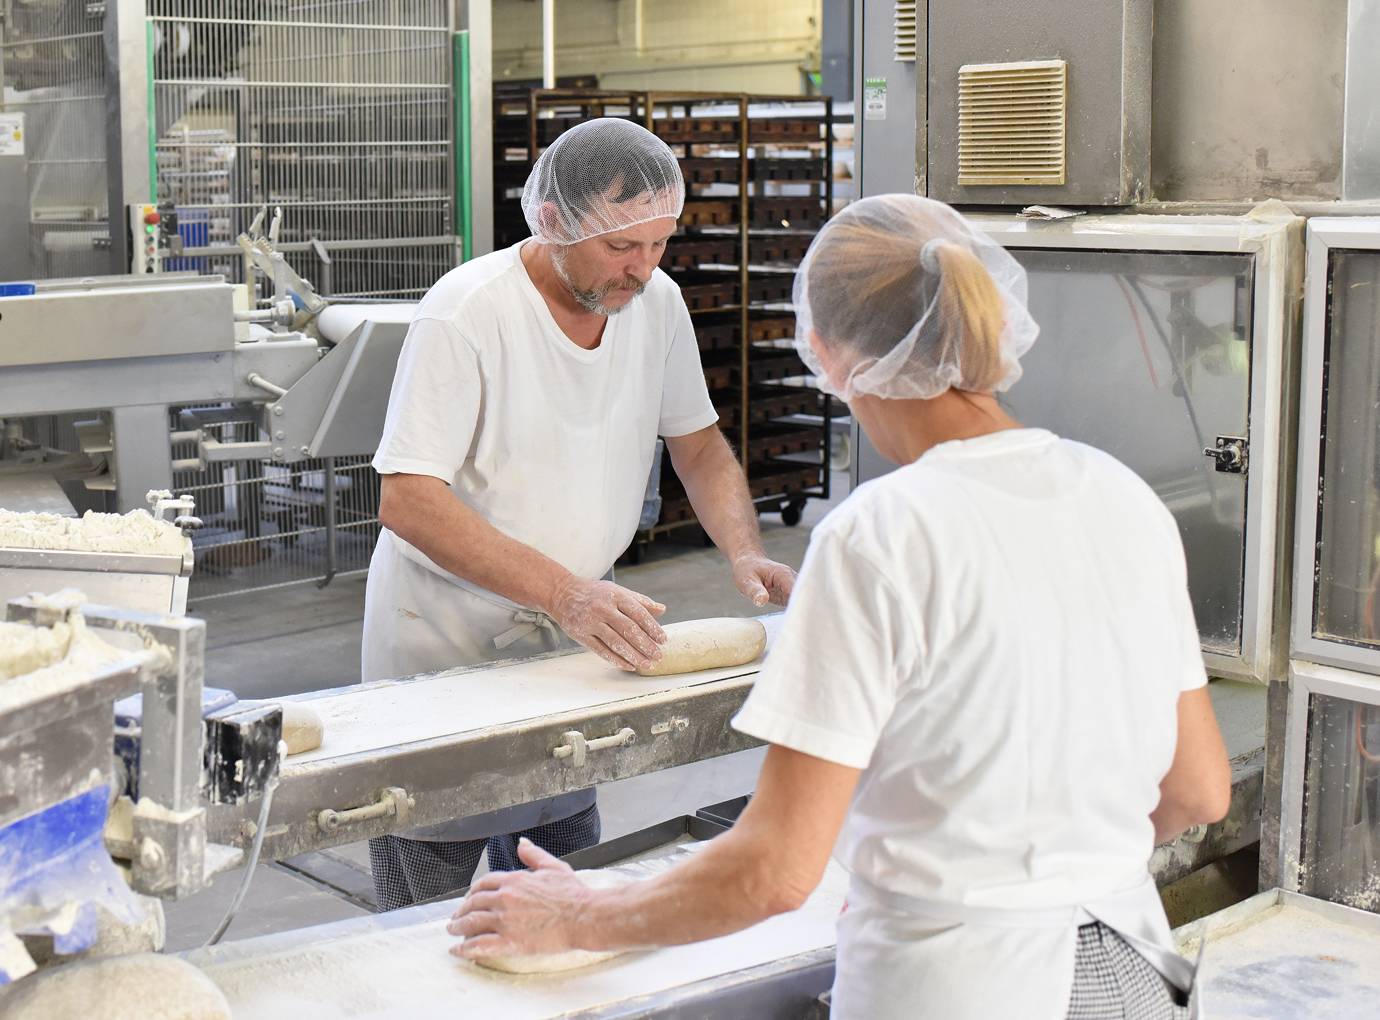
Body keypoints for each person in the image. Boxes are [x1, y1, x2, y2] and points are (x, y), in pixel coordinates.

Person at [445, 194, 1233, 1020]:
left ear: (831, 355)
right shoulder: (1121, 495)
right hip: (1133, 969)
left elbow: (777, 870)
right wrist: (1054, 872)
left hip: (962, 987)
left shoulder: (882, 534)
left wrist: (581, 917)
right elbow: (1199, 790)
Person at [363, 118, 796, 911]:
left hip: (576, 638)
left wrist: (742, 550)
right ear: (554, 220)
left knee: (564, 879)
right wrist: (565, 592)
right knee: (427, 898)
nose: (643, 269)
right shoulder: (467, 315)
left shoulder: (655, 305)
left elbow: (697, 446)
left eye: (659, 243)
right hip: (447, 638)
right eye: (621, 248)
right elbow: (408, 500)